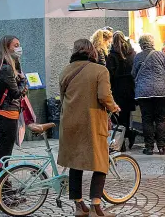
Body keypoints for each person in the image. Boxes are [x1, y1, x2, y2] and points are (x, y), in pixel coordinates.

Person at [58, 39, 120, 217]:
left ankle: (79, 206)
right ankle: (96, 207)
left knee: (75, 164)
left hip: (70, 123)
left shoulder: (65, 71)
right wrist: (114, 107)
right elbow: (104, 96)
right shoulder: (100, 70)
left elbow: (62, 99)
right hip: (92, 123)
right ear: (92, 51)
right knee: (100, 162)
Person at [0, 36, 28, 208]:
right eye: (16, 46)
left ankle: (4, 192)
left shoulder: (6, 66)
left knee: (4, 158)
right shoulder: (6, 69)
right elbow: (16, 94)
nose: (19, 48)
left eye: (19, 45)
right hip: (6, 116)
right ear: (7, 48)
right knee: (2, 158)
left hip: (6, 116)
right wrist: (24, 82)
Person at [132, 34, 165, 155]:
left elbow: (134, 73)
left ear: (141, 44)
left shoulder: (138, 57)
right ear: (152, 43)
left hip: (144, 92)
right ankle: (162, 147)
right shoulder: (160, 54)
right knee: (161, 119)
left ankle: (149, 147)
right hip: (161, 91)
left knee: (147, 119)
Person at [106, 31, 137, 152]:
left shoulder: (112, 55)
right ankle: (129, 134)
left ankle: (121, 143)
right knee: (126, 116)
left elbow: (109, 75)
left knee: (117, 118)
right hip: (129, 89)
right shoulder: (132, 53)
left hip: (117, 90)